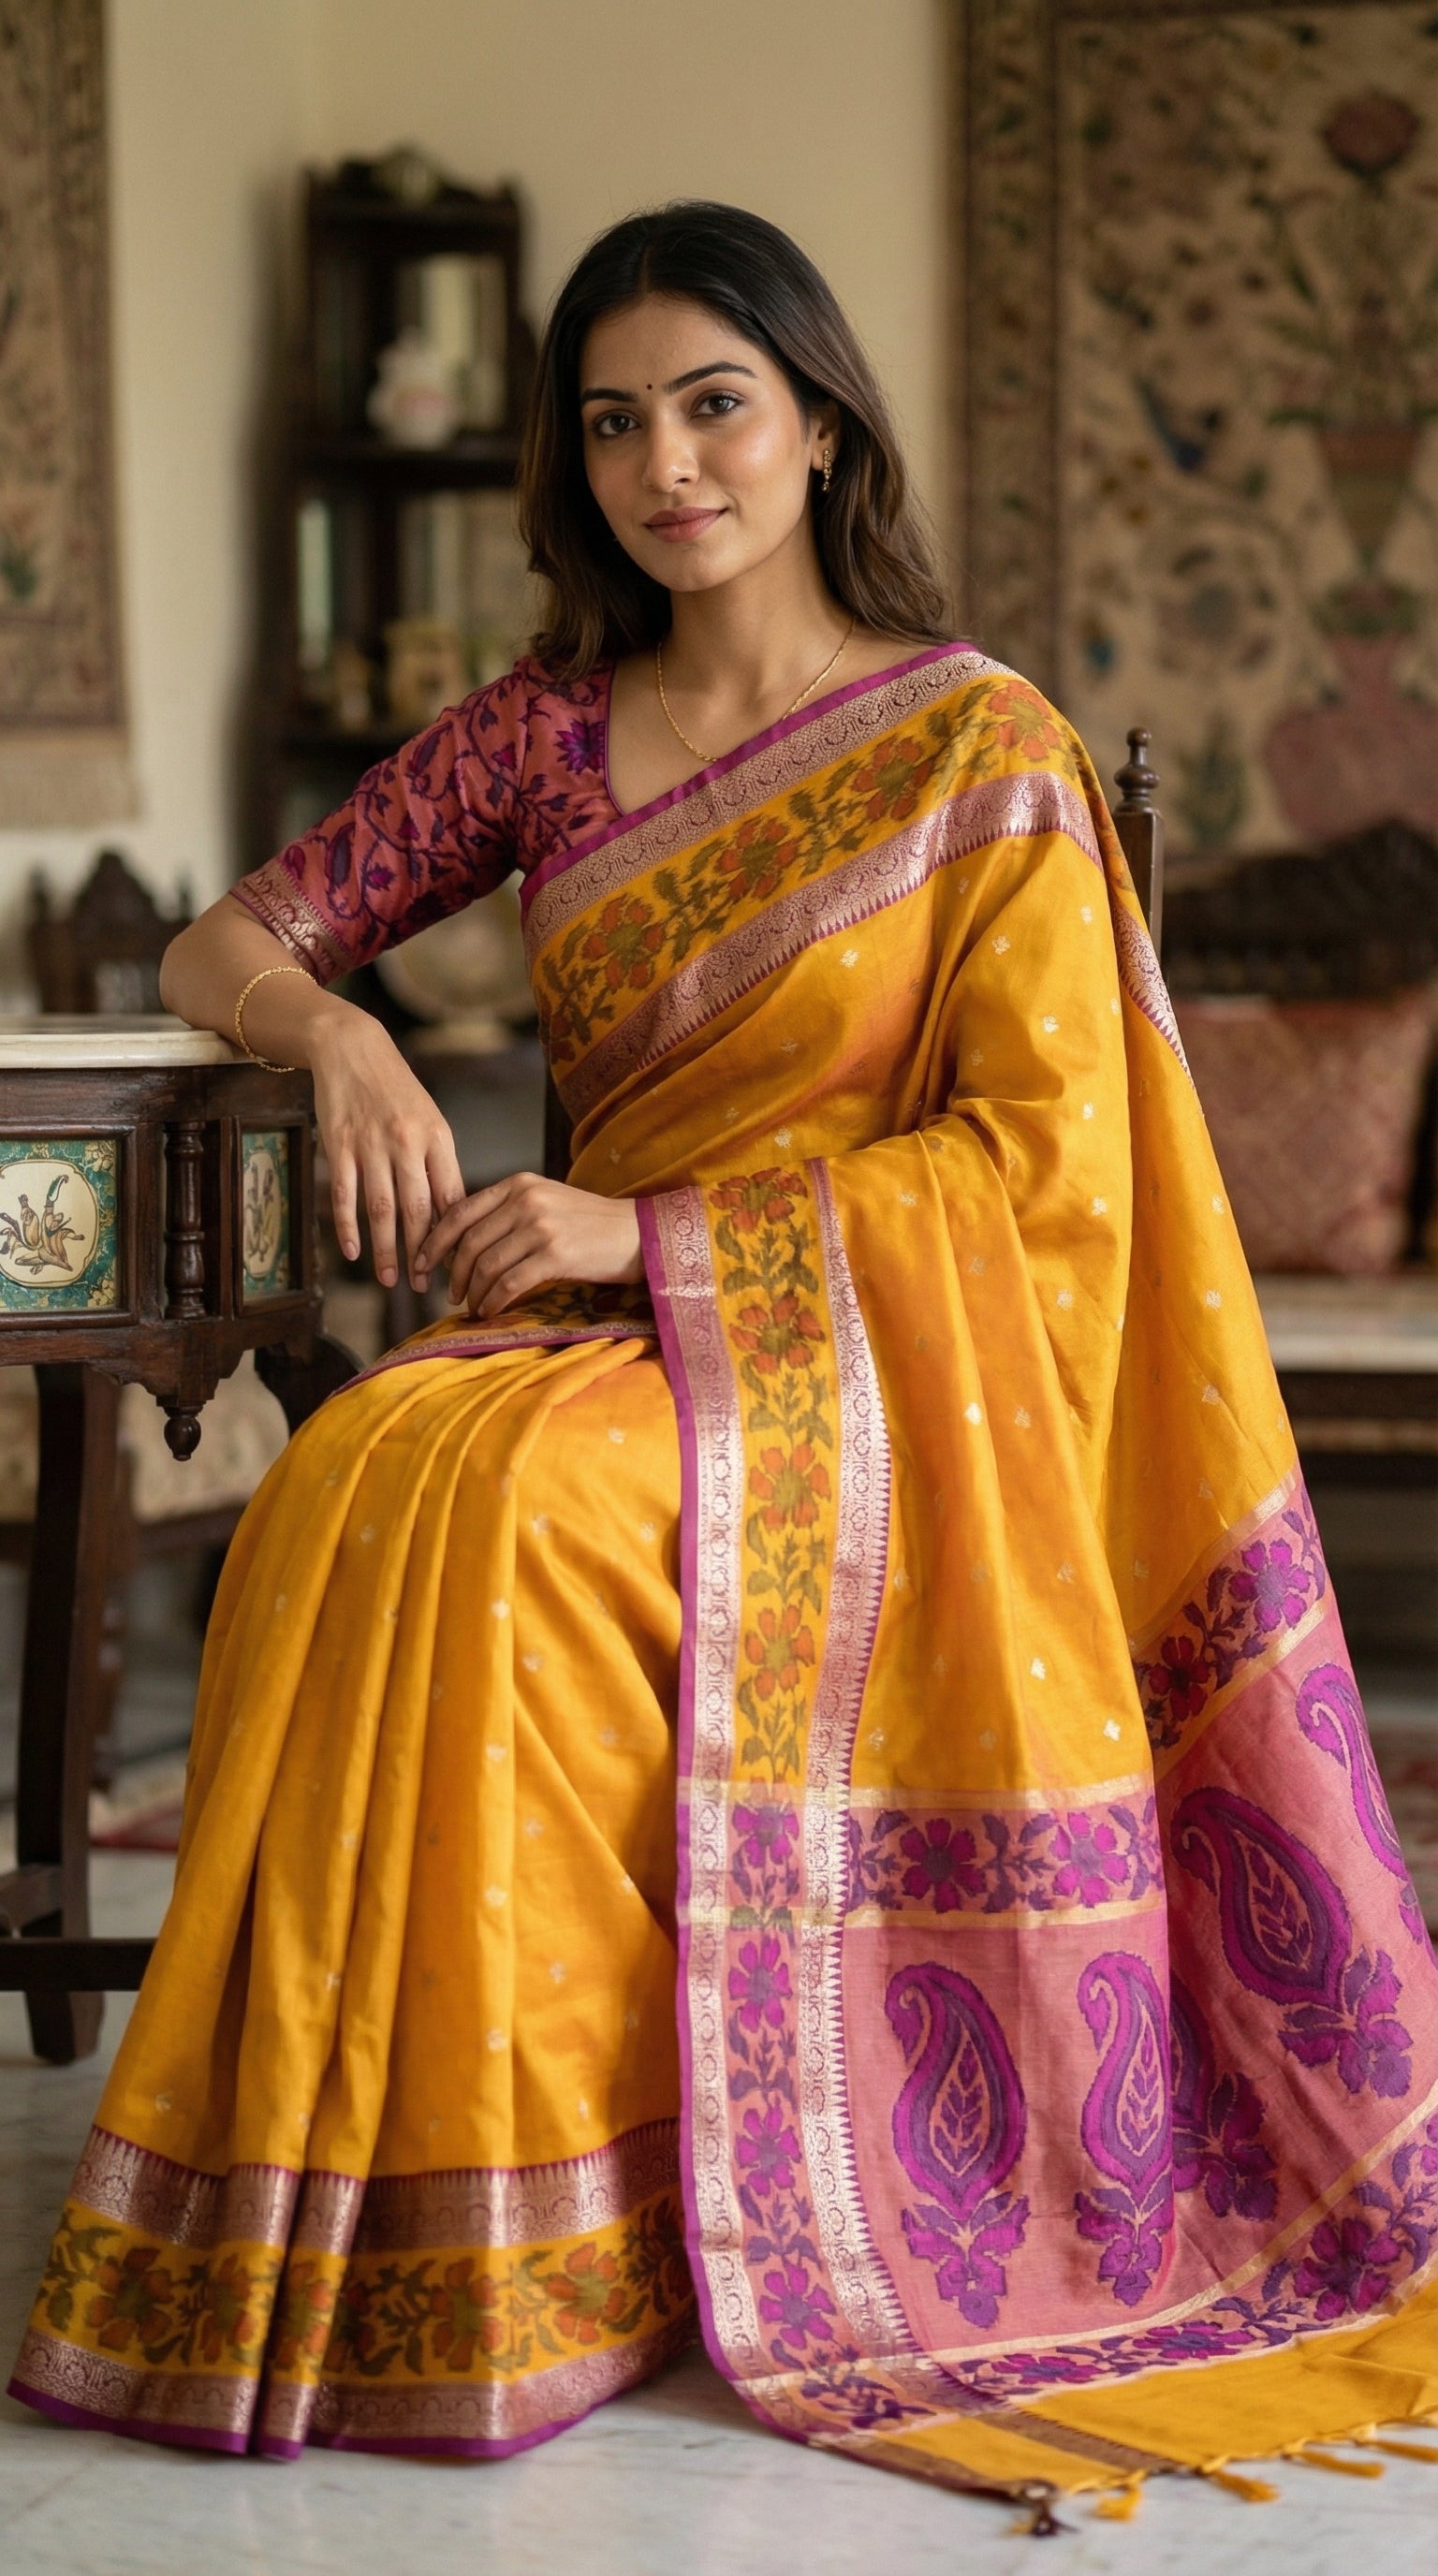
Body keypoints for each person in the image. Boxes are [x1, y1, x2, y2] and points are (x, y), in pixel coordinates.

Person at [13, 202, 1436, 2510]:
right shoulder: (544, 736)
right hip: (587, 1333)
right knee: (357, 1475)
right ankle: (402, 2226)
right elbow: (230, 930)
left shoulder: (975, 745)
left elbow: (1045, 1166)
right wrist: (344, 1035)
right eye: (614, 423)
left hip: (845, 1372)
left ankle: (573, 2223)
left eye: (713, 406)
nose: (668, 465)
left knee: (501, 1510)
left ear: (814, 419)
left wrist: (645, 1227)